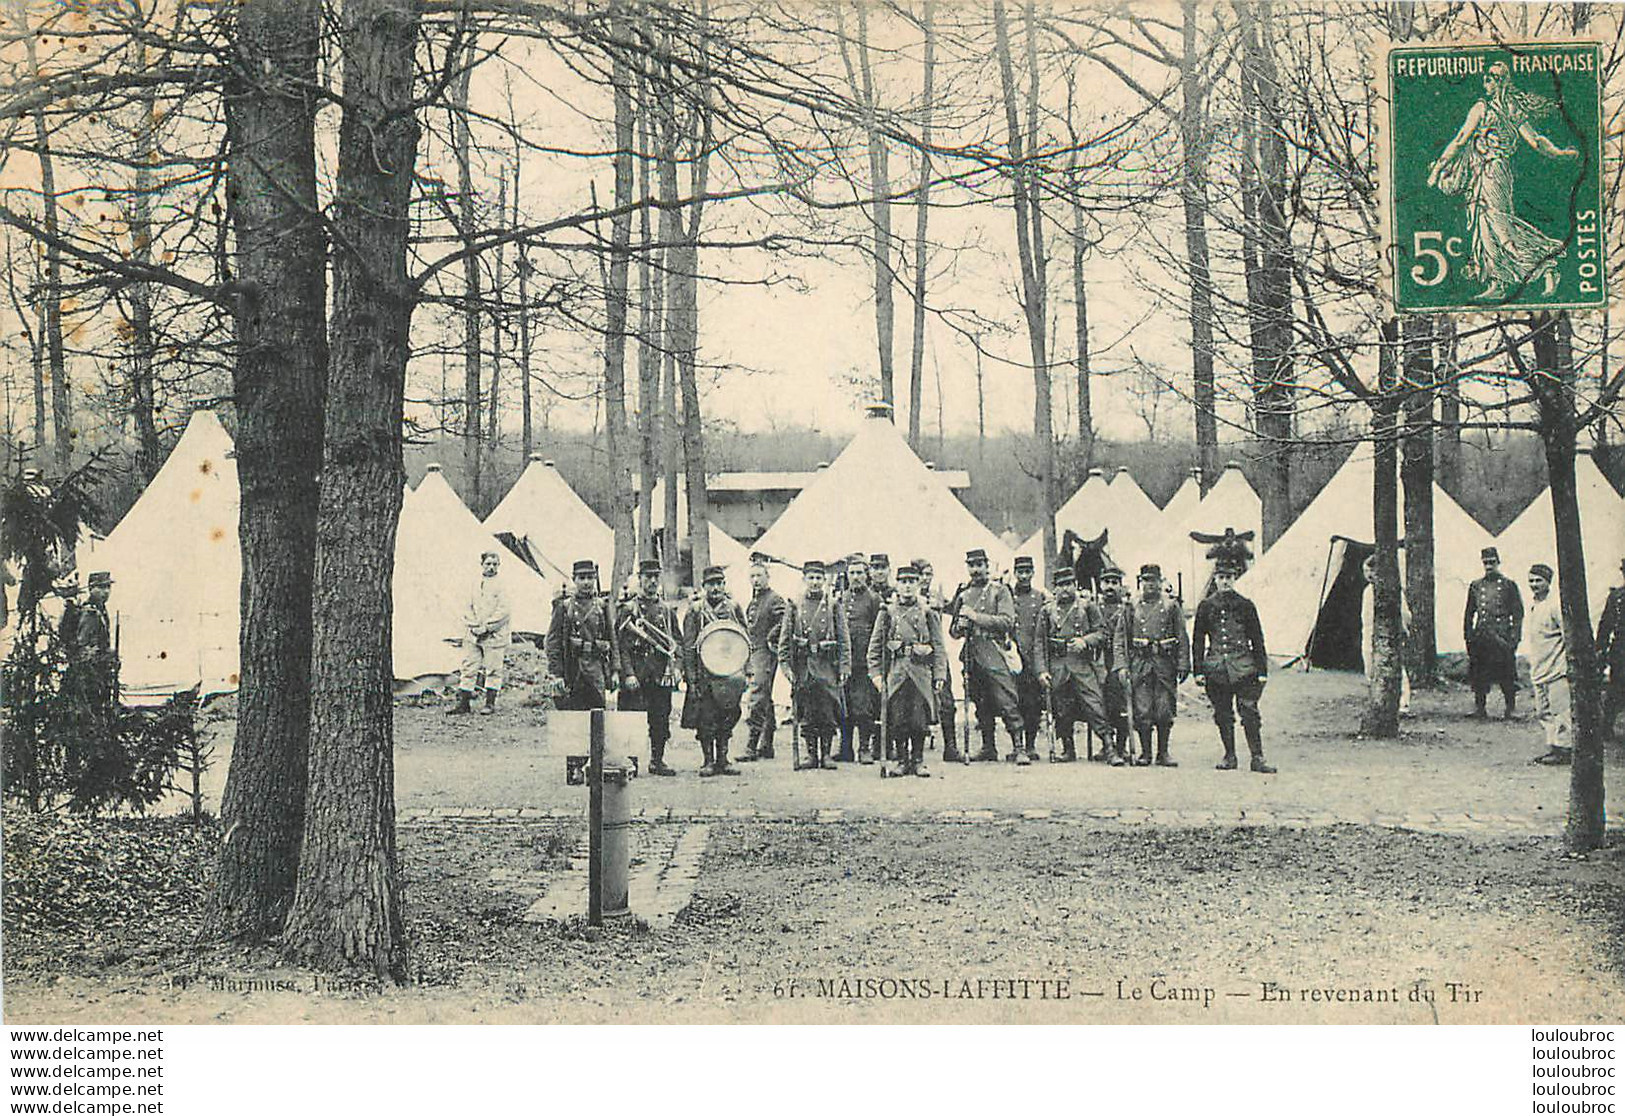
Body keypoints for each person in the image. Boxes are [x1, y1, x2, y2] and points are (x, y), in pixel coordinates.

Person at [1426, 58, 1580, 302]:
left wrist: (1559, 154)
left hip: (1495, 172)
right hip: (1479, 174)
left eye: (1491, 77)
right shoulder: (1482, 108)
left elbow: (1536, 140)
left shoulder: (1506, 110)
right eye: (1486, 76)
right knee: (1483, 228)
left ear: (1501, 83)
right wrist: (1439, 169)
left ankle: (1546, 265)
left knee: (1500, 226)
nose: (1485, 81)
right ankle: (1498, 282)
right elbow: (1460, 139)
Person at [1192, 560, 1275, 773]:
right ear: (1215, 580)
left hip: (1244, 666)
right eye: (1221, 578)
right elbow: (1198, 640)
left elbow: (1257, 638)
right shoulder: (1206, 606)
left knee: (1249, 711)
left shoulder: (1246, 605)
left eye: (1229, 577)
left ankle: (1257, 757)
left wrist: (1262, 670)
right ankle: (1229, 756)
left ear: (1234, 579)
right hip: (1217, 668)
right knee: (1222, 713)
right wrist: (1198, 670)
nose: (1225, 581)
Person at [949, 548, 1025, 763]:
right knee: (980, 703)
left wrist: (975, 616)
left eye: (979, 565)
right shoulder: (963, 594)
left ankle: (1019, 748)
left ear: (987, 566)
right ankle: (988, 747)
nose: (975, 570)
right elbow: (954, 632)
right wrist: (960, 626)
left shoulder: (999, 591)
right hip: (972, 656)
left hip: (995, 653)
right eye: (971, 565)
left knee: (1006, 700)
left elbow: (1007, 621)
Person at [868, 563, 944, 777]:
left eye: (912, 582)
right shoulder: (887, 612)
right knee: (898, 719)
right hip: (897, 672)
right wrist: (875, 675)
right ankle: (902, 760)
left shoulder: (928, 612)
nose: (907, 587)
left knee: (919, 720)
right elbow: (875, 647)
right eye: (903, 582)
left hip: (920, 673)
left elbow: (939, 647)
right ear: (897, 585)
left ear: (919, 584)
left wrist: (939, 675)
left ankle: (918, 760)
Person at [1114, 563, 1190, 768]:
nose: (1150, 585)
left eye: (1154, 580)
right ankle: (1145, 753)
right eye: (1146, 580)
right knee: (1142, 709)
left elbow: (1182, 637)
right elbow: (1120, 638)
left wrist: (1183, 664)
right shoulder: (1131, 606)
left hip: (1165, 664)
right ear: (1141, 582)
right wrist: (1121, 665)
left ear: (1160, 581)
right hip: (1140, 664)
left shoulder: (1171, 606)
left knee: (1164, 709)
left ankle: (1163, 752)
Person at [779, 559, 851, 771]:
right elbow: (784, 639)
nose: (815, 582)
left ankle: (826, 754)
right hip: (804, 667)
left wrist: (844, 667)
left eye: (819, 578)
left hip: (827, 667)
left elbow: (843, 638)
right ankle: (811, 754)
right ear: (804, 579)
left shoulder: (832, 605)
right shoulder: (794, 604)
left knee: (827, 711)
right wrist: (786, 666)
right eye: (811, 578)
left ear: (824, 580)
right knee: (808, 713)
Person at [1036, 567, 1113, 762]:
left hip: (1082, 664)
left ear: (1075, 585)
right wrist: (1042, 670)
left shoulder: (1087, 607)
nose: (1065, 589)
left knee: (1095, 703)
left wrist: (1085, 641)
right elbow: (1039, 643)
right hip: (1058, 664)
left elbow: (1103, 633)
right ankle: (1067, 749)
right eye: (1061, 585)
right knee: (1062, 708)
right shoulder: (1047, 610)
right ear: (1055, 589)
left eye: (1068, 584)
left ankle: (1108, 746)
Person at [681, 565, 749, 777]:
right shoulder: (695, 610)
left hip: (729, 673)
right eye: (711, 584)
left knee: (728, 715)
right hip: (705, 674)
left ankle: (723, 759)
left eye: (719, 583)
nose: (716, 588)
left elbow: (745, 639)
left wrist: (745, 669)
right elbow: (689, 646)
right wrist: (691, 679)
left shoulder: (733, 608)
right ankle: (708, 760)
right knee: (706, 718)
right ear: (704, 586)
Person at [616, 558, 681, 776]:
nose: (652, 581)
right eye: (648, 577)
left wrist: (677, 668)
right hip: (636, 674)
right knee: (631, 720)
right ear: (640, 579)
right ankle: (631, 762)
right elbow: (621, 646)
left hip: (660, 674)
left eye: (656, 577)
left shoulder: (667, 611)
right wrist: (628, 674)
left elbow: (677, 643)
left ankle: (657, 760)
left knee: (660, 719)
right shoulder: (628, 609)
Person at [546, 559, 618, 711]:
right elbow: (553, 642)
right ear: (574, 580)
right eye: (582, 578)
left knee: (597, 717)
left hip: (596, 669)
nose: (586, 582)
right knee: (573, 720)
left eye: (590, 577)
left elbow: (612, 639)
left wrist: (615, 671)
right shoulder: (564, 607)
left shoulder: (601, 606)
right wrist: (557, 673)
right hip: (573, 669)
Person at [62, 571, 118, 756]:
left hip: (97, 673)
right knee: (90, 718)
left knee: (97, 715)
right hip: (88, 676)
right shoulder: (90, 613)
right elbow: (83, 647)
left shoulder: (101, 610)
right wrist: (104, 657)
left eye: (108, 587)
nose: (106, 592)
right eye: (101, 587)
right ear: (91, 589)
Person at [449, 550, 511, 716]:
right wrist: (474, 625)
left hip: (494, 635)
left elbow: (504, 610)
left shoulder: (502, 585)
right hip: (473, 634)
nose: (491, 567)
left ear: (499, 566)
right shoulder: (474, 584)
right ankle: (464, 703)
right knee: (469, 667)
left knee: (493, 669)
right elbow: (466, 606)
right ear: (481, 564)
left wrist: (487, 627)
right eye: (488, 564)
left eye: (494, 564)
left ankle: (490, 703)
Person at [1464, 546, 1523, 719]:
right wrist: (1469, 636)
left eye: (1492, 563)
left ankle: (1510, 708)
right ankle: (1479, 708)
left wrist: (1514, 638)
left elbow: (1518, 614)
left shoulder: (1508, 585)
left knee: (1506, 674)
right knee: (1479, 674)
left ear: (1498, 562)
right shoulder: (1476, 586)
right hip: (1481, 637)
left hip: (1501, 637)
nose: (1489, 566)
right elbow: (1468, 614)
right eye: (1486, 563)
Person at [740, 554, 787, 762]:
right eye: (752, 576)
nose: (756, 580)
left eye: (759, 575)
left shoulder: (774, 598)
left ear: (768, 577)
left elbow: (785, 619)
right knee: (765, 697)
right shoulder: (754, 600)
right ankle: (766, 744)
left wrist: (772, 637)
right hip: (754, 652)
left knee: (758, 695)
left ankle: (751, 745)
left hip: (766, 653)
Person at [1526, 563, 1571, 766]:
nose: (1534, 585)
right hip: (1539, 667)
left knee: (1561, 710)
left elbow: (1567, 635)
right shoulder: (1535, 605)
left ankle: (1565, 749)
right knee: (1543, 711)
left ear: (1548, 582)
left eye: (1538, 581)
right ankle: (1553, 746)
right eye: (1531, 580)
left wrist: (1566, 663)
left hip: (1557, 668)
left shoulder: (1555, 606)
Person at [916, 558, 960, 762]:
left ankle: (950, 747)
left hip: (935, 652)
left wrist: (949, 602)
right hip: (915, 655)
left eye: (929, 574)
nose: (926, 579)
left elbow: (954, 608)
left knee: (946, 700)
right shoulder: (905, 596)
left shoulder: (936, 596)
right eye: (922, 574)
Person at [839, 554, 882, 763]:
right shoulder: (841, 598)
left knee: (863, 706)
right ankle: (845, 748)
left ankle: (864, 748)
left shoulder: (874, 599)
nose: (856, 577)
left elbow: (879, 631)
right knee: (844, 705)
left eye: (859, 573)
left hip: (864, 662)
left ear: (866, 575)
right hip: (844, 662)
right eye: (852, 573)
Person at [1010, 555, 1050, 762]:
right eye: (1020, 571)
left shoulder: (1041, 597)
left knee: (1032, 704)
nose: (1024, 576)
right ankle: (1016, 746)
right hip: (1010, 658)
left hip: (1032, 658)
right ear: (1015, 573)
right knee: (1011, 702)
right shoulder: (1006, 595)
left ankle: (1031, 745)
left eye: (1028, 571)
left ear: (1033, 573)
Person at [1361, 554, 1411, 716]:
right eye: (1366, 572)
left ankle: (1403, 702)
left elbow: (1405, 614)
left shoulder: (1393, 589)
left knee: (1394, 667)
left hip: (1388, 633)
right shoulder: (1367, 591)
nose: (1368, 575)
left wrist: (1402, 630)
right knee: (1370, 667)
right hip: (1368, 633)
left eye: (1371, 571)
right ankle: (1378, 701)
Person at [1094, 565, 1131, 765]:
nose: (1110, 587)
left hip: (1119, 661)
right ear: (1100, 585)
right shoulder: (1094, 609)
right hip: (1099, 661)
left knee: (1121, 705)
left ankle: (1121, 745)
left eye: (1114, 583)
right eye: (1107, 582)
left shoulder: (1126, 609)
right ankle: (1105, 745)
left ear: (1120, 586)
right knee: (1102, 704)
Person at [1596, 558, 1625, 741]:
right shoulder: (1616, 597)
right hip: (1621, 650)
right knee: (1616, 690)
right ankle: (1606, 727)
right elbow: (1605, 624)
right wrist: (1600, 648)